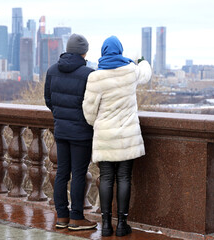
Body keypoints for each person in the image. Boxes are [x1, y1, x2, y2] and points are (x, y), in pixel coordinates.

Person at [82, 36, 152, 237]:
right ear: (120, 51)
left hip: (105, 135)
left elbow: (88, 112)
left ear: (103, 52)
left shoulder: (95, 76)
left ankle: (105, 225)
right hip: (128, 136)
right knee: (124, 178)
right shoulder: (130, 71)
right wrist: (141, 59)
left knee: (105, 178)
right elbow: (146, 73)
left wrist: (100, 124)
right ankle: (122, 224)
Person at [44, 33, 97, 231]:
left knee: (61, 174)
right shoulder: (89, 74)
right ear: (84, 52)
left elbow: (48, 100)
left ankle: (62, 217)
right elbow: (92, 106)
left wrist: (60, 116)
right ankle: (77, 218)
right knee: (79, 174)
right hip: (82, 133)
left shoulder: (51, 71)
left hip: (61, 130)